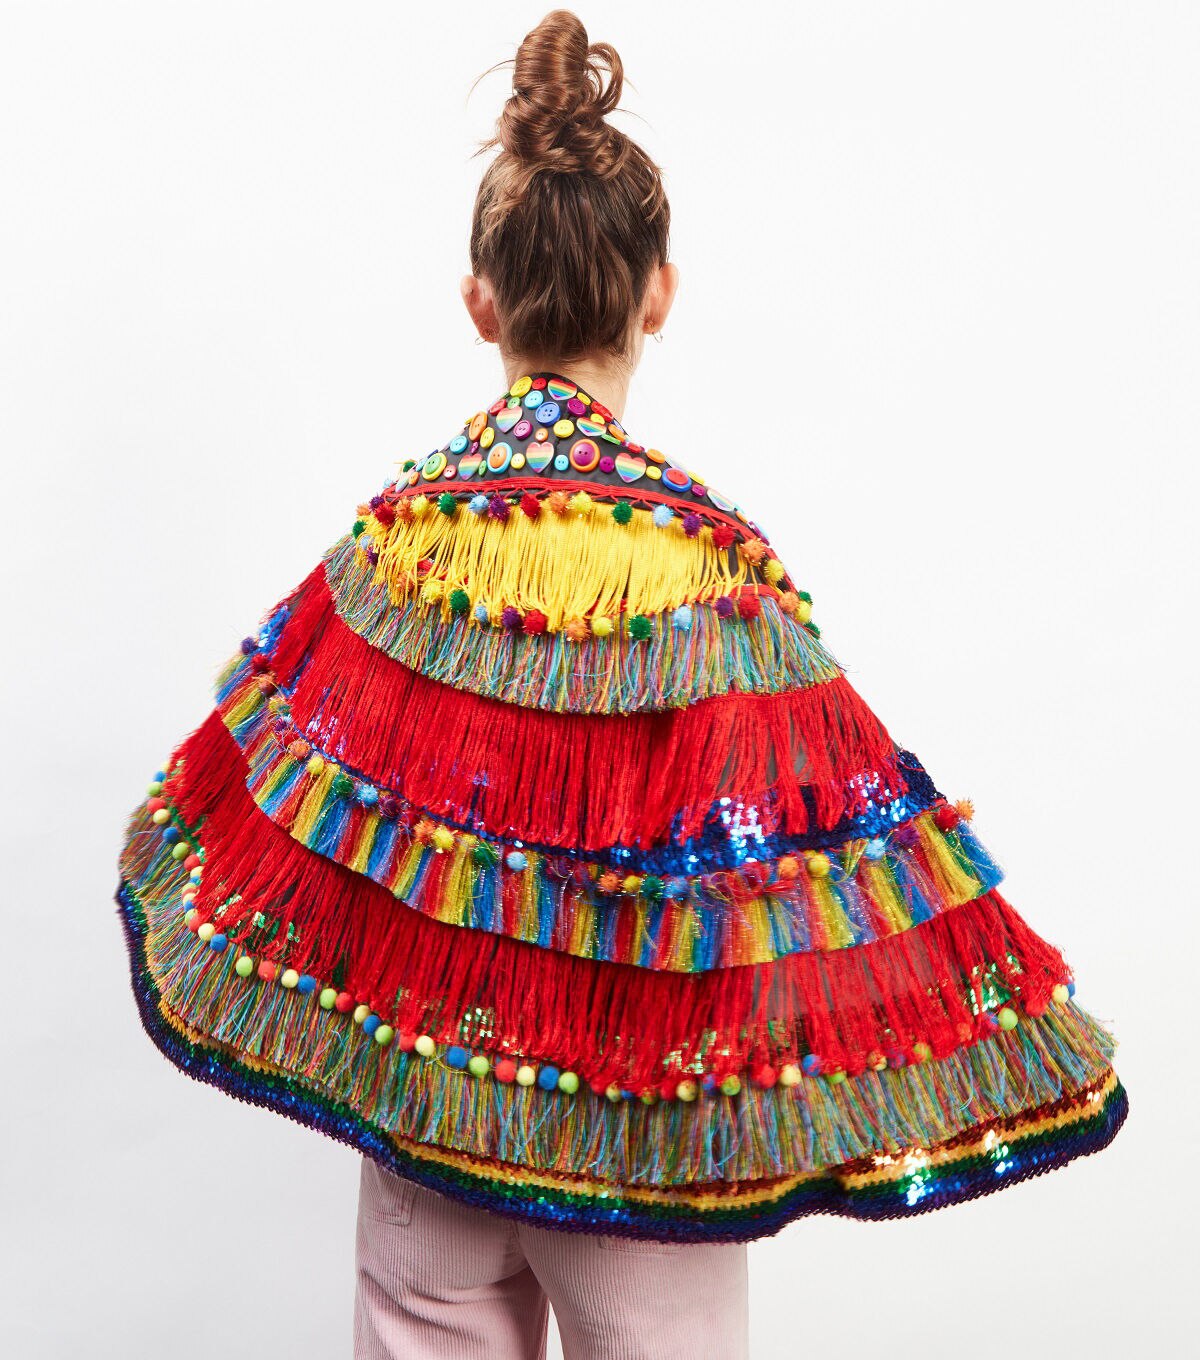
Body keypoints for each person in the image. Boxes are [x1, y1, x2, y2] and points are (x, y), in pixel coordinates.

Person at [114, 11, 1126, 1359]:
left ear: (480, 303)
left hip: (429, 1083)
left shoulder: (399, 543)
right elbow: (808, 848)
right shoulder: (709, 567)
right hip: (647, 1123)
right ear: (659, 297)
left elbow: (287, 769)